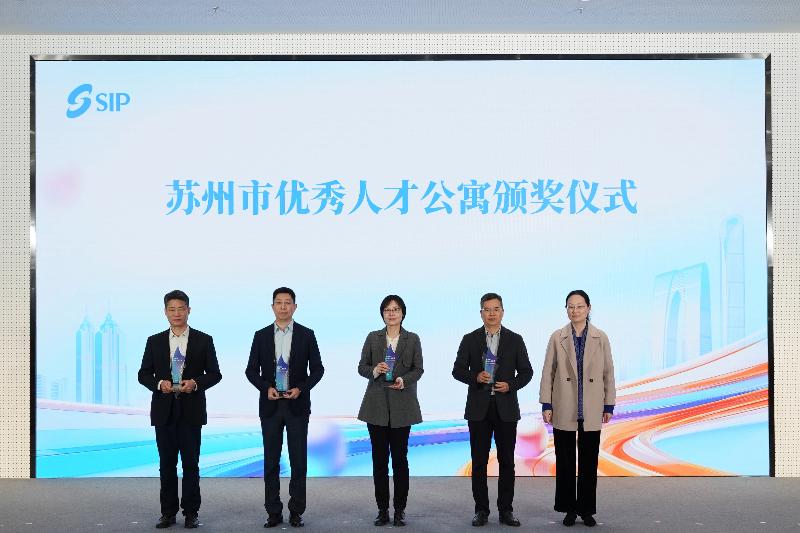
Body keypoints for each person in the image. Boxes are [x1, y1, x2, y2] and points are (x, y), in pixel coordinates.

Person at [137, 290, 222, 529]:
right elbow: (143, 374)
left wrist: (195, 383)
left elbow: (215, 374)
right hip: (163, 412)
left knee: (191, 465)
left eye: (181, 308)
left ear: (189, 310)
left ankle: (191, 513)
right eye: (172, 309)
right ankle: (168, 513)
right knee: (166, 465)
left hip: (191, 411)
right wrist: (158, 384)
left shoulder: (204, 340)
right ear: (165, 312)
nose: (177, 313)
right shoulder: (154, 341)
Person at [245, 287, 325, 528]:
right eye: (278, 302)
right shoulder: (260, 336)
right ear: (272, 307)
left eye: (287, 302)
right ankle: (273, 511)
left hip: (297, 405)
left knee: (298, 461)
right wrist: (265, 388)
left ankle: (296, 511)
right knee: (271, 461)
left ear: (295, 307)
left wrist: (301, 388)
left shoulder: (306, 335)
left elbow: (318, 369)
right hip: (270, 406)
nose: (283, 307)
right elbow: (251, 370)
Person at [452, 292, 533, 527]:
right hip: (479, 410)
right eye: (487, 309)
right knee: (478, 462)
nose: (491, 313)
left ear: (502, 312)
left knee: (507, 462)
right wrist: (475, 376)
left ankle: (506, 511)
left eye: (496, 309)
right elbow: (457, 370)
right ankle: (481, 510)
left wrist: (511, 385)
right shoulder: (470, 339)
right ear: (481, 313)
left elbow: (526, 372)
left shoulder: (515, 339)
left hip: (506, 409)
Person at [539, 290, 616, 528]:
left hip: (591, 406)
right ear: (566, 310)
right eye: (571, 307)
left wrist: (609, 404)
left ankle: (586, 510)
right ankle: (568, 509)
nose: (575, 311)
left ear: (589, 308)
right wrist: (546, 403)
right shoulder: (557, 337)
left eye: (580, 306)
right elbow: (548, 372)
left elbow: (608, 372)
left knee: (588, 462)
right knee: (564, 461)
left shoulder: (601, 337)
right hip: (564, 404)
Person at [357, 295, 424, 527]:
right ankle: (382, 510)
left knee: (400, 460)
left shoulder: (412, 339)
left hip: (402, 407)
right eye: (387, 310)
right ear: (382, 314)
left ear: (403, 313)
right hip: (375, 406)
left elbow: (418, 369)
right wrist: (375, 370)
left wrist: (404, 380)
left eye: (396, 309)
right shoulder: (373, 337)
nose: (392, 313)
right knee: (379, 461)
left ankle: (400, 510)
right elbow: (361, 367)